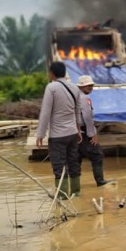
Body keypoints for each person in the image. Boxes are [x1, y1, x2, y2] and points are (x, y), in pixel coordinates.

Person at [36, 61, 95, 199]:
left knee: (59, 165)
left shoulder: (51, 88)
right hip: (72, 134)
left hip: (58, 135)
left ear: (52, 73)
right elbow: (77, 111)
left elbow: (45, 113)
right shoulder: (74, 88)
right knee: (73, 162)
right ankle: (76, 192)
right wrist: (78, 129)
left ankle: (62, 195)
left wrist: (40, 134)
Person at [75, 75, 108, 187]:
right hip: (83, 131)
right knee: (97, 154)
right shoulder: (83, 98)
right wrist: (92, 134)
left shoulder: (74, 96)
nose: (91, 88)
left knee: (76, 156)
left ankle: (75, 186)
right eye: (88, 86)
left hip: (73, 130)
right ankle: (100, 181)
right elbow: (87, 117)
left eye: (91, 85)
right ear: (82, 86)